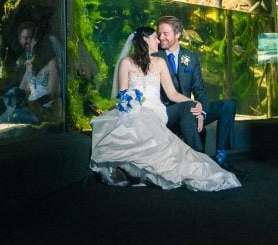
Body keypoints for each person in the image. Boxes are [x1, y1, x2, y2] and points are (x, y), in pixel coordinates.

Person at [90, 27, 240, 191]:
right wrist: (130, 105)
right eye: (155, 37)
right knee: (134, 122)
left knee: (164, 114)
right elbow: (122, 94)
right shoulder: (126, 63)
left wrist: (195, 104)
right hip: (133, 110)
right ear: (145, 39)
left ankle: (196, 157)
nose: (158, 40)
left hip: (157, 111)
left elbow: (173, 94)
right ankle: (129, 169)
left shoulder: (160, 63)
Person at [154, 16, 246, 175]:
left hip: (192, 109)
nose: (161, 37)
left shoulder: (190, 57)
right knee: (189, 111)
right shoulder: (155, 56)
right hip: (169, 112)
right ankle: (201, 162)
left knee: (228, 105)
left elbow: (200, 90)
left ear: (178, 34)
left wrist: (202, 111)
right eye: (159, 33)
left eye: (165, 33)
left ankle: (221, 157)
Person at [17, 22, 60, 122]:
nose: (30, 41)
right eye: (26, 38)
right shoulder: (23, 62)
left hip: (45, 111)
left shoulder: (50, 63)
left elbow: (52, 93)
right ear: (19, 40)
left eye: (32, 38)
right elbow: (22, 89)